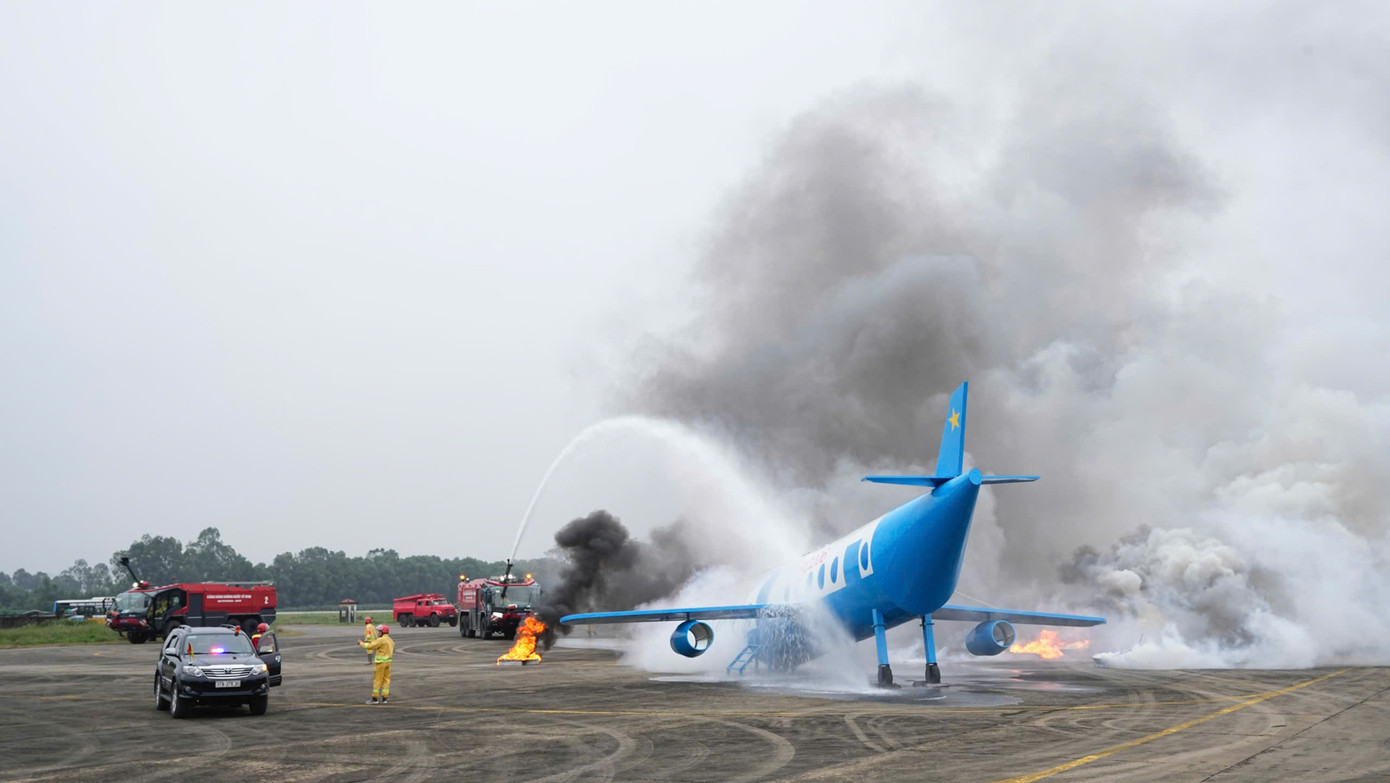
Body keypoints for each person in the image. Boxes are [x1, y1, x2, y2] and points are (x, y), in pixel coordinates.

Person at [357, 624, 394, 704]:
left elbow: (370, 646)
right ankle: (385, 698)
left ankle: (375, 698)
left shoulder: (381, 640)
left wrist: (361, 643)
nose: (378, 633)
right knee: (386, 680)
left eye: (379, 631)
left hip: (381, 663)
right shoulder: (391, 640)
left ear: (382, 632)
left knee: (377, 680)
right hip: (388, 663)